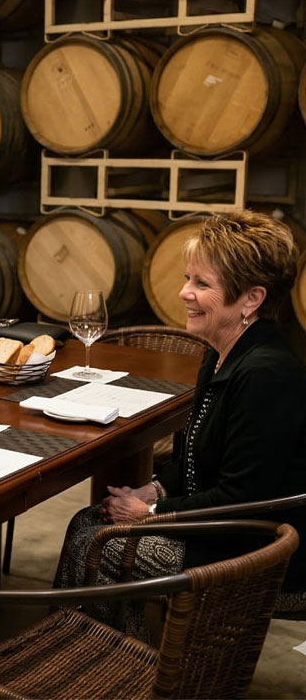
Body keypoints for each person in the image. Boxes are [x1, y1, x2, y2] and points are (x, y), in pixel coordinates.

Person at [54, 209, 306, 635]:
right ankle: (111, 656)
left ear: (252, 298)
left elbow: (242, 494)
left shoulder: (266, 374)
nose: (184, 292)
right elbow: (195, 456)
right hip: (225, 528)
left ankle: (109, 665)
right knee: (87, 522)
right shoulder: (221, 350)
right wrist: (151, 488)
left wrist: (150, 511)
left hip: (259, 548)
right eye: (188, 278)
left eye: (202, 284)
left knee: (101, 545)